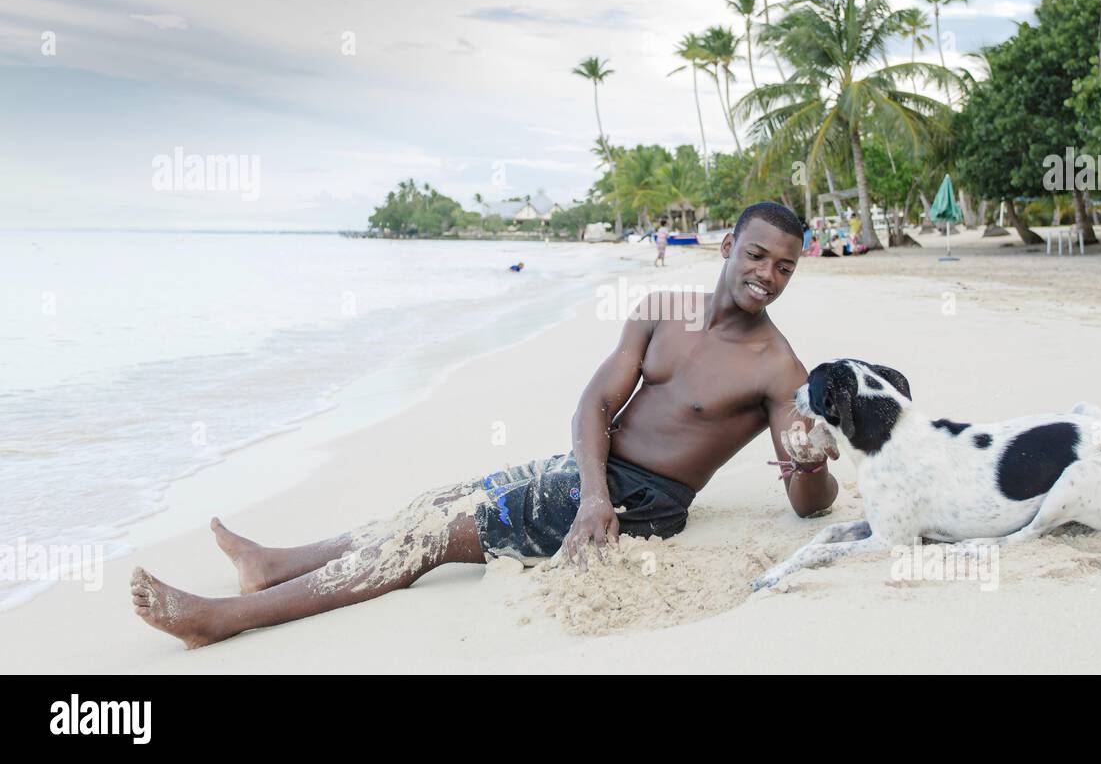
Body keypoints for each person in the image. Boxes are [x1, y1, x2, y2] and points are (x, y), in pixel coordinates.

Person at [131, 201, 841, 649]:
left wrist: (811, 467)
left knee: (429, 538)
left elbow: (809, 503)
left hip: (644, 500)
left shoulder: (777, 370)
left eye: (784, 266)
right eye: (756, 255)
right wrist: (591, 491)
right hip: (591, 477)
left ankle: (226, 619)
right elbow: (591, 405)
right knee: (432, 503)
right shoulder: (662, 310)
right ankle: (275, 565)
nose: (768, 275)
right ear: (727, 247)